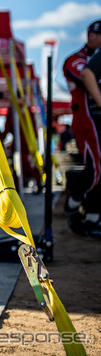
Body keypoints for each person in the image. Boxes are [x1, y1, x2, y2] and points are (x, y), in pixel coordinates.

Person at [62, 19, 101, 237]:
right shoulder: (76, 60)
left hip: (97, 120)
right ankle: (73, 205)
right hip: (86, 119)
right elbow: (87, 77)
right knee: (96, 169)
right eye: (96, 34)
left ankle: (93, 220)